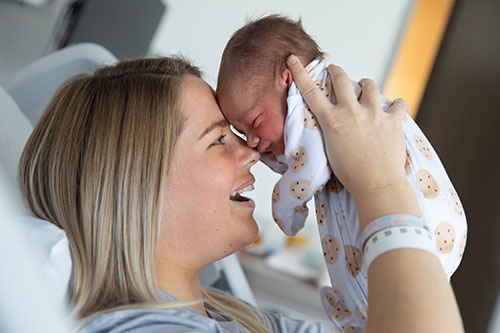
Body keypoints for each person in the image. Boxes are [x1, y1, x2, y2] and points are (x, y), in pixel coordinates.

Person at [17, 55, 463, 332]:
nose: (251, 153)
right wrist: (379, 182)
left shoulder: (246, 323)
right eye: (217, 140)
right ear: (135, 179)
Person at [216, 15, 467, 331]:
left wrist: (284, 207)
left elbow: (312, 168)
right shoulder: (321, 108)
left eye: (253, 123)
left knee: (366, 294)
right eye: (240, 132)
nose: (252, 143)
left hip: (419, 225)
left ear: (288, 80)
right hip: (422, 237)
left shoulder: (315, 102)